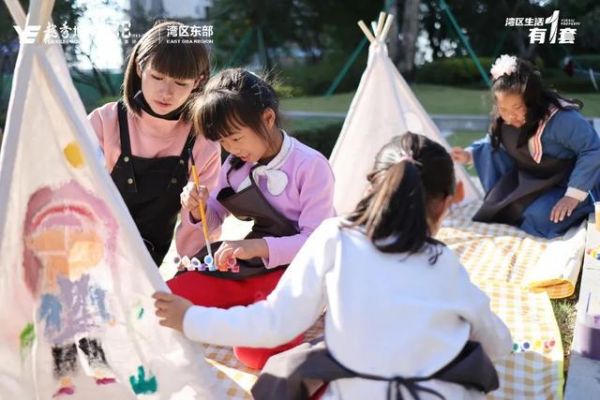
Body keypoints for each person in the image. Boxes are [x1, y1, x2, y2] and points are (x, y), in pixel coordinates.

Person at [154, 133, 512, 399]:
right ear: (448, 203)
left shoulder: (336, 237)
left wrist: (189, 318)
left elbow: (272, 324)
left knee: (295, 368)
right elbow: (499, 344)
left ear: (371, 188)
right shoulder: (445, 262)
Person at [167, 68, 335, 369]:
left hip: (301, 271)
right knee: (168, 299)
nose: (231, 149)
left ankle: (255, 308)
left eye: (236, 137)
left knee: (255, 353)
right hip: (251, 265)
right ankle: (247, 305)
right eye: (223, 142)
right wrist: (197, 207)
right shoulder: (234, 166)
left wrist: (255, 247)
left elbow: (316, 242)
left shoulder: (311, 166)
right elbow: (214, 217)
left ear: (267, 118)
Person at [88, 21, 221, 265]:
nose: (166, 92)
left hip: (146, 262)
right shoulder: (104, 123)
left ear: (198, 81)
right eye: (158, 77)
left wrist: (197, 209)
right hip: (88, 249)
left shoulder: (203, 142)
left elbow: (203, 237)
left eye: (181, 83)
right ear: (140, 67)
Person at [452, 55, 600, 238]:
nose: (510, 116)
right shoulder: (505, 120)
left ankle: (583, 204)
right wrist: (468, 155)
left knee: (538, 217)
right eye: (503, 109)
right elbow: (492, 142)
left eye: (517, 108)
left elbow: (592, 149)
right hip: (535, 180)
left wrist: (572, 196)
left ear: (532, 100)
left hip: (569, 183)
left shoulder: (562, 119)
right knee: (501, 205)